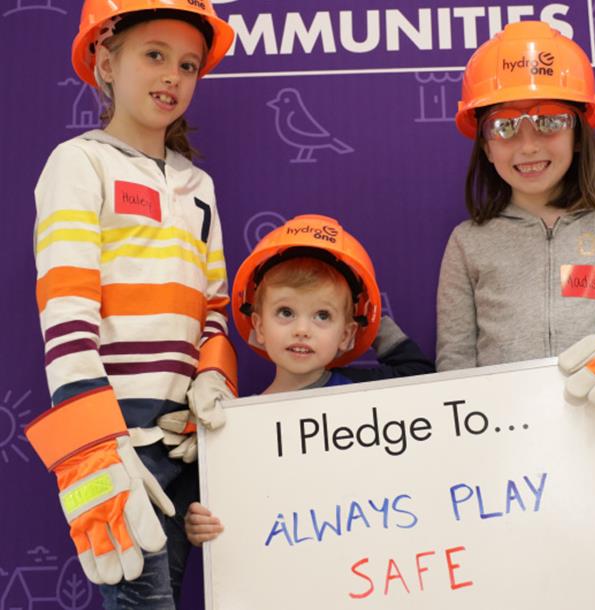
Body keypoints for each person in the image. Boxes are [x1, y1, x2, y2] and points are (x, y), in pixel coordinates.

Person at [25, 1, 237, 608]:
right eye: (155, 56)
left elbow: (215, 308)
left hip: (187, 443)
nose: (174, 76)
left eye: (189, 64)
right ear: (105, 60)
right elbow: (65, 310)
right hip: (115, 444)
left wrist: (214, 380)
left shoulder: (200, 187)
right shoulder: (78, 163)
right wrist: (93, 448)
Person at [437, 20, 595, 412]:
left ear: (578, 134)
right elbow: (455, 360)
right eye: (504, 126)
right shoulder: (467, 242)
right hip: (501, 436)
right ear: (487, 147)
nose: (527, 146)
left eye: (550, 121)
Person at [184, 213, 435, 543]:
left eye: (323, 315)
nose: (302, 330)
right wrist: (198, 523)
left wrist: (372, 322)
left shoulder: (361, 391)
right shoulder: (234, 425)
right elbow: (227, 505)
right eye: (286, 313)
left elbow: (421, 377)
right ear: (259, 326)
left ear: (346, 335)